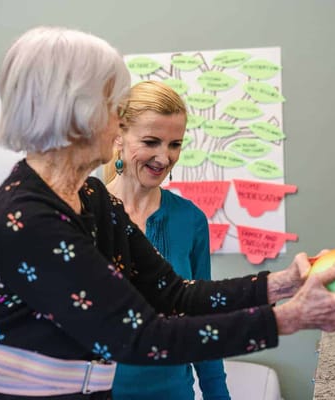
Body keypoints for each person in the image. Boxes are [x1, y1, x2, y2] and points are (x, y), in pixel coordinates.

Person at [0, 26, 335, 400]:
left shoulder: (90, 198)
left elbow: (174, 294)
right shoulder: (29, 219)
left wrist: (286, 283)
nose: (117, 127)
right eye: (114, 110)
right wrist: (293, 317)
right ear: (77, 114)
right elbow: (139, 335)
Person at [104, 80, 230, 400]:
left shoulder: (190, 220)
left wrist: (218, 395)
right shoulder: (81, 217)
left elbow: (201, 318)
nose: (164, 157)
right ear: (118, 136)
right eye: (151, 141)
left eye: (175, 144)